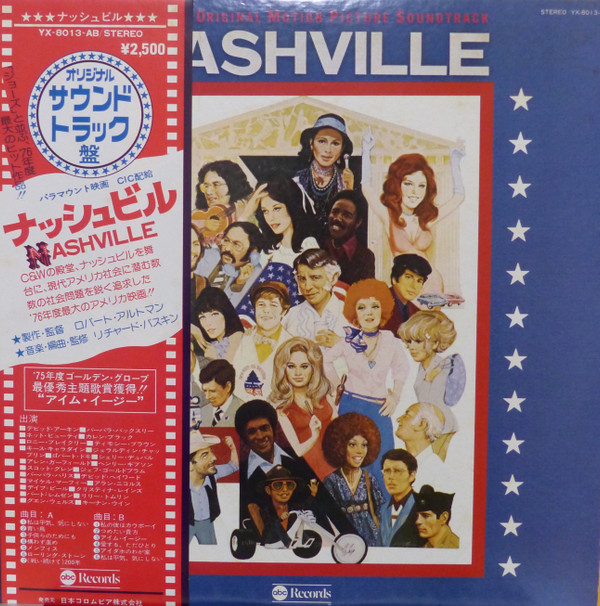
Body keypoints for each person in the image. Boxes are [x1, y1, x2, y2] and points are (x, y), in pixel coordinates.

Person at [323, 278, 409, 487]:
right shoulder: (348, 340)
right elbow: (326, 361)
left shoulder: (391, 341)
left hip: (379, 409)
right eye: (362, 307)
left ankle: (381, 508)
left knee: (382, 465)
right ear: (354, 312)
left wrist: (395, 396)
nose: (369, 313)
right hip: (351, 406)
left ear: (383, 309)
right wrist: (336, 386)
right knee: (349, 463)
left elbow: (402, 368)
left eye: (375, 306)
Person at [363, 138, 465, 293]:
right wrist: (366, 150)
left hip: (433, 287)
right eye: (408, 183)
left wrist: (455, 161)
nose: (415, 192)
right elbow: (366, 187)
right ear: (397, 185)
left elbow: (459, 197)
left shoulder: (427, 219)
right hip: (407, 289)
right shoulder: (388, 216)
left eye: (421, 186)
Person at [235, 176, 319, 320]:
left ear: (291, 206)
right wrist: (247, 214)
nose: (271, 218)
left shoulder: (308, 246)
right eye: (265, 211)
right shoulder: (268, 247)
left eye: (277, 208)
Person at [270, 337, 336, 479]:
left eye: (304, 366)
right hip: (311, 472)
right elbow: (298, 451)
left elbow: (340, 430)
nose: (298, 373)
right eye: (291, 366)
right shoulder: (282, 412)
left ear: (314, 368)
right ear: (283, 369)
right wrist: (314, 435)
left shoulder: (325, 397)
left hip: (337, 466)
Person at [322, 412, 385, 547]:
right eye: (352, 445)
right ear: (339, 446)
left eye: (364, 445)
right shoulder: (330, 481)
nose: (360, 451)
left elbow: (380, 512)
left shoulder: (369, 478)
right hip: (342, 539)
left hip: (371, 539)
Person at [294, 113, 356, 236]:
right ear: (311, 143)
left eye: (335, 143)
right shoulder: (297, 180)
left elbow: (350, 226)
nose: (328, 150)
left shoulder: (344, 180)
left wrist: (349, 189)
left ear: (342, 148)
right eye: (322, 141)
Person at [232, 282, 292, 402]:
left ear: (283, 311)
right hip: (240, 406)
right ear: (254, 309)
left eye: (273, 305)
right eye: (261, 304)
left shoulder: (292, 344)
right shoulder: (241, 340)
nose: (266, 310)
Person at [398, 310, 465, 416]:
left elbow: (429, 406)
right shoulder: (423, 366)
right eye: (409, 341)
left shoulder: (442, 367)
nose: (411, 347)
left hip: (439, 422)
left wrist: (428, 380)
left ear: (435, 343)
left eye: (418, 341)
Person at [282, 249, 345, 347]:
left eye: (315, 277)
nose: (307, 287)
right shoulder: (290, 316)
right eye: (302, 279)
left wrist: (342, 344)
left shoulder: (351, 315)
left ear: (333, 278)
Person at [194, 221, 264, 307]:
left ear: (253, 251)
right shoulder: (206, 255)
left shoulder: (257, 276)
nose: (227, 248)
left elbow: (232, 309)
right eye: (226, 240)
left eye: (236, 245)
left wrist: (238, 285)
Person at [189, 430, 238, 545]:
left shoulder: (213, 474)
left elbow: (234, 466)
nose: (214, 458)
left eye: (211, 452)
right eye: (205, 455)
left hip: (206, 525)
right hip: (184, 524)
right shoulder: (177, 480)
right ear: (190, 465)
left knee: (211, 551)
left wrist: (233, 448)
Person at [320, 189, 375, 285]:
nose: (337, 218)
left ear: (358, 222)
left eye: (346, 215)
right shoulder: (318, 248)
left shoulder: (365, 257)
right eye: (335, 212)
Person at [395, 402, 454, 491]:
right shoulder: (400, 465)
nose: (398, 419)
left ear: (422, 424)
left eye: (407, 415)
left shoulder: (436, 471)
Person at [193, 160, 253, 245]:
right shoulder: (196, 216)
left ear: (232, 185)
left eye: (216, 185)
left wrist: (242, 218)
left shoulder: (248, 213)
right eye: (206, 186)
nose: (208, 192)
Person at [379, 449, 425, 547]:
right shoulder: (381, 509)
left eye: (397, 471)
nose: (391, 477)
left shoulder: (423, 507)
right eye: (387, 471)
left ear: (411, 475)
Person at [382, 254, 432, 334]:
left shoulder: (417, 313)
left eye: (419, 281)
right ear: (394, 279)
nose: (414, 286)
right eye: (408, 277)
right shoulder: (377, 304)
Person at [192, 287, 244, 362]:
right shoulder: (210, 347)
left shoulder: (236, 337)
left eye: (214, 314)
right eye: (202, 317)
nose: (208, 323)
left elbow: (229, 368)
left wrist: (213, 357)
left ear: (226, 314)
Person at [196, 359, 244, 428]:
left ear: (228, 387)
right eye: (205, 391)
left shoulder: (245, 412)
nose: (207, 397)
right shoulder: (202, 412)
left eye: (212, 391)